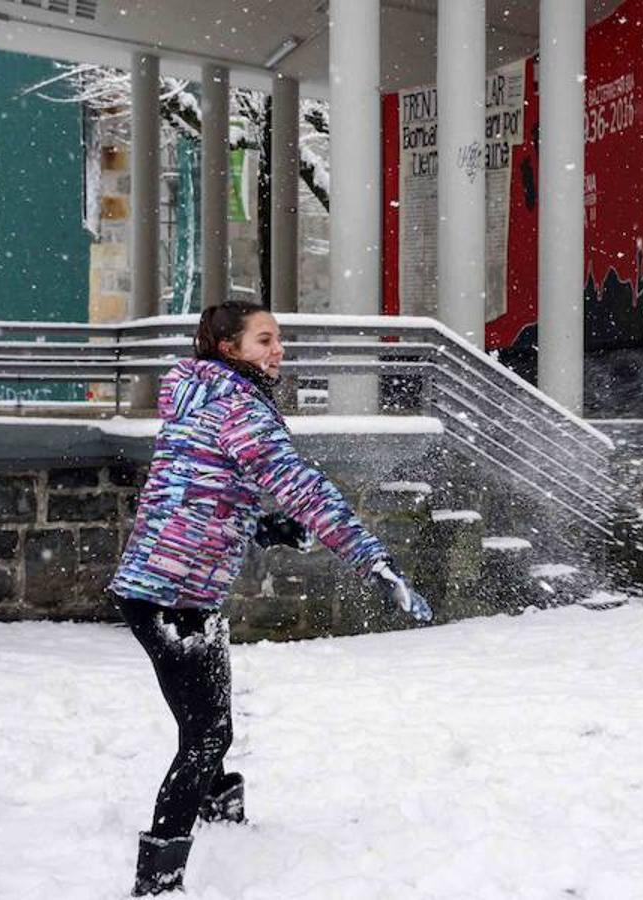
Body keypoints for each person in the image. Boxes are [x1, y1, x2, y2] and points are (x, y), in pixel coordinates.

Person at [108, 301, 432, 896]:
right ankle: (157, 880)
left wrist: (263, 527)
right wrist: (372, 560)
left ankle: (221, 818)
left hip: (168, 587)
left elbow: (195, 485)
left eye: (278, 339)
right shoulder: (238, 406)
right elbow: (303, 488)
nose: (277, 350)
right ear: (229, 348)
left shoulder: (196, 392)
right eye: (264, 340)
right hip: (171, 595)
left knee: (212, 728)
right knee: (205, 734)